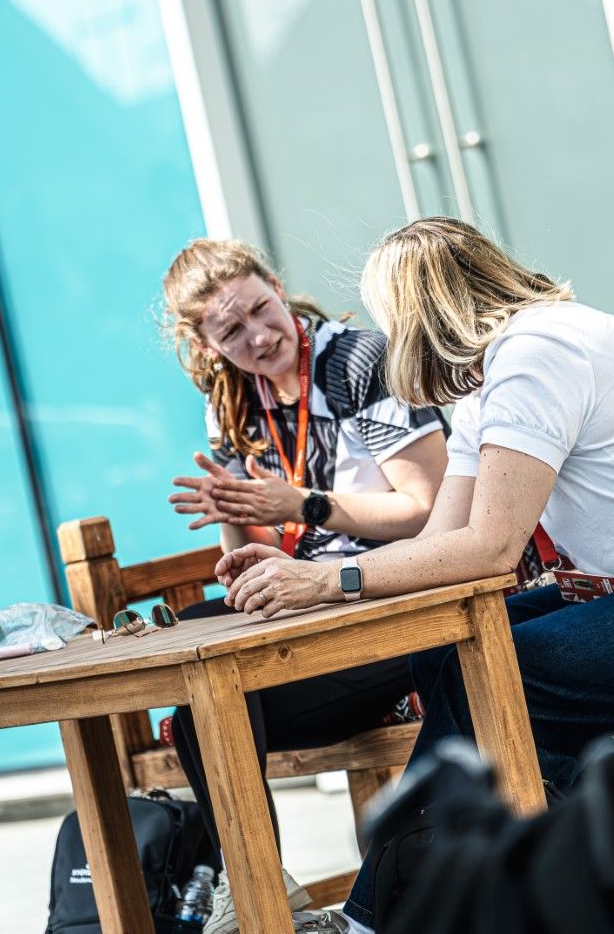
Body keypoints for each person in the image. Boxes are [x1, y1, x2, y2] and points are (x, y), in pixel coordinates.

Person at [217, 218, 614, 934]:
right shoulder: (495, 375)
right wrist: (308, 572)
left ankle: (377, 918)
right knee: (448, 647)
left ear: (417, 312)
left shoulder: (538, 355)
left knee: (503, 671)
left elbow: (489, 550)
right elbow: (443, 545)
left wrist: (327, 581)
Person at [161, 238, 448, 934]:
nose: (259, 336)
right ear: (204, 346)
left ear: (277, 284)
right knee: (203, 678)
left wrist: (303, 505)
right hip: (315, 607)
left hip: (399, 593)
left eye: (261, 309)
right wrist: (236, 527)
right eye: (231, 332)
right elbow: (258, 549)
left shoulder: (359, 360)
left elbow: (430, 510)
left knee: (212, 698)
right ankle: (254, 884)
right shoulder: (231, 398)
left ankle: (250, 885)